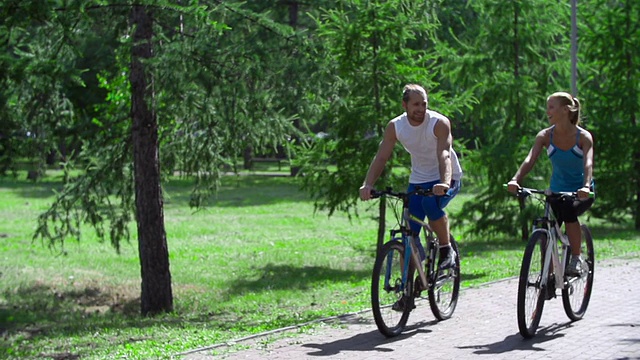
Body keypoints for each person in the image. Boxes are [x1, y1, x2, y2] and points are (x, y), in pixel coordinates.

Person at [359, 84, 463, 270]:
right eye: (416, 104)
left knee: (430, 204)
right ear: (404, 105)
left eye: (424, 104)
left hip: (448, 177)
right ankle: (406, 292)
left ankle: (447, 250)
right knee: (409, 233)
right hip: (418, 179)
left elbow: (444, 155)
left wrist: (444, 183)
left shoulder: (439, 123)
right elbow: (381, 157)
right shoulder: (396, 126)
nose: (421, 109)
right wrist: (368, 184)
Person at [507, 91, 595, 277]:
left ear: (565, 110)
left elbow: (588, 163)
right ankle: (547, 272)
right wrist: (516, 179)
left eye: (551, 107)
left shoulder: (583, 137)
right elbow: (530, 160)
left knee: (570, 211)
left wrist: (586, 186)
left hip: (581, 192)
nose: (547, 111)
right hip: (556, 191)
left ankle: (576, 258)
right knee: (546, 226)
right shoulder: (545, 136)